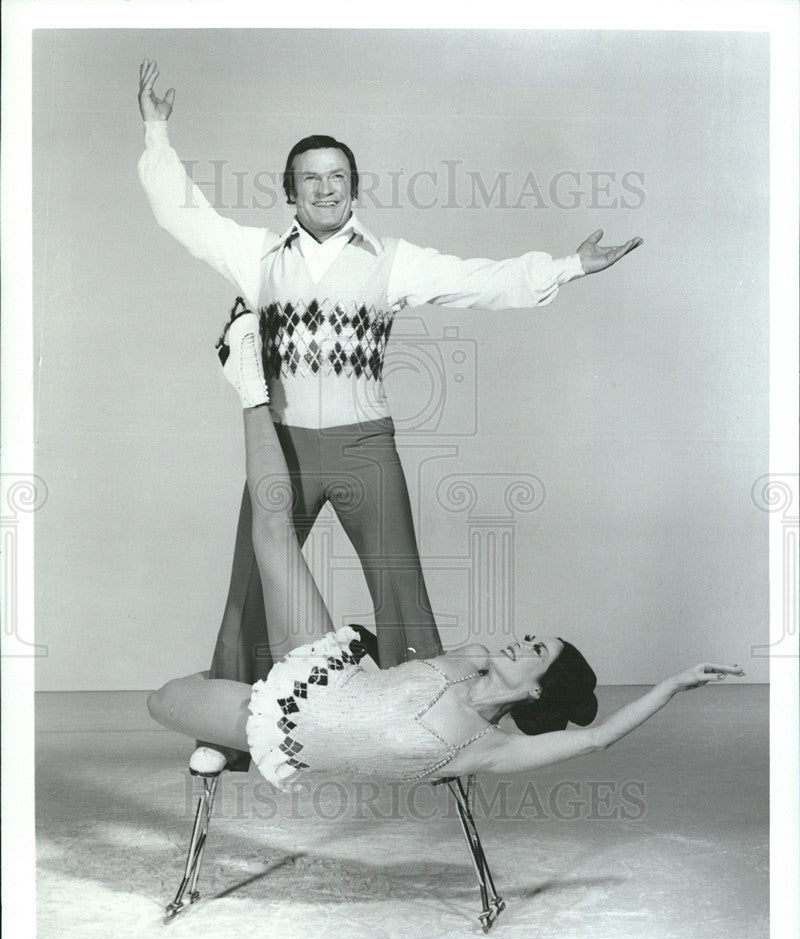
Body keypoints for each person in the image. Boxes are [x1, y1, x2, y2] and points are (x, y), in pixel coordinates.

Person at [136, 59, 644, 692]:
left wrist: (569, 265)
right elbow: (183, 217)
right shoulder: (254, 254)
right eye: (310, 179)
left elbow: (477, 280)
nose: (325, 189)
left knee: (399, 585)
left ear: (355, 187)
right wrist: (157, 130)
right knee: (253, 580)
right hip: (282, 447)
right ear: (289, 193)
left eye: (338, 177)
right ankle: (234, 726)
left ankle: (431, 720)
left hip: (364, 447)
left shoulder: (393, 262)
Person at [146, 311, 742, 787]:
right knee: (270, 534)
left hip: (285, 724)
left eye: (535, 648)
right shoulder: (468, 657)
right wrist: (360, 646)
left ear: (536, 688)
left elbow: (595, 738)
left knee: (162, 701)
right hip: (322, 670)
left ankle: (231, 693)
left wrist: (675, 682)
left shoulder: (490, 749)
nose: (521, 639)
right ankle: (250, 383)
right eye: (534, 635)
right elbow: (394, 658)